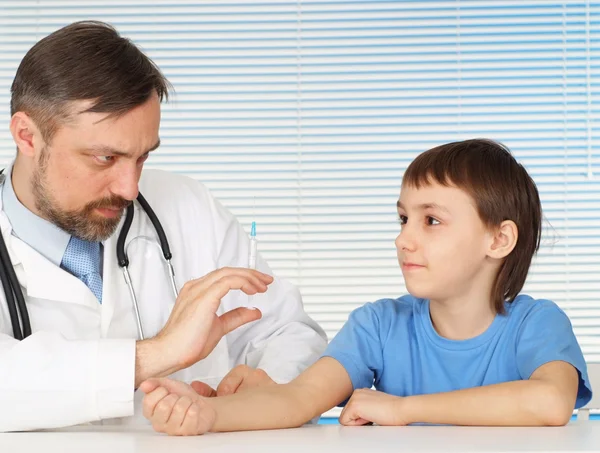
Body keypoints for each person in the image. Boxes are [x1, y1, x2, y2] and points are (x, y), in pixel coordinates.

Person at [0, 21, 326, 432]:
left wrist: (271, 386)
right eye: (105, 158)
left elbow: (291, 331)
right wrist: (158, 354)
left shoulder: (189, 206)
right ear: (27, 136)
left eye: (142, 157)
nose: (130, 188)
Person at [141, 139, 593, 435]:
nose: (404, 238)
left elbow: (551, 401)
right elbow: (298, 399)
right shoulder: (378, 325)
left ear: (499, 239)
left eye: (431, 220)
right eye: (403, 218)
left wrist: (404, 409)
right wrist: (206, 415)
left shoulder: (538, 323)